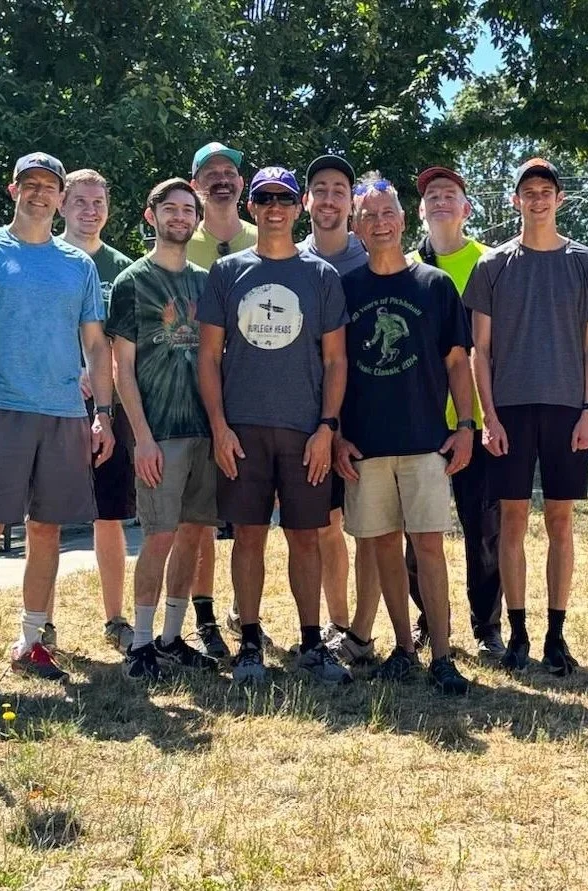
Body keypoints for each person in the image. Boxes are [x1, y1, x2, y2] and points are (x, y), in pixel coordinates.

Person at [0, 152, 115, 691]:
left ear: (61, 196)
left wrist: (103, 414)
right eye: (31, 184)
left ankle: (31, 641)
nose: (40, 194)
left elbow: (95, 345)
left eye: (50, 186)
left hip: (65, 414)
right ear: (14, 189)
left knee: (46, 530)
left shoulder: (79, 265)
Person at [197, 165, 351, 685]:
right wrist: (219, 427)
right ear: (252, 207)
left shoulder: (321, 276)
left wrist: (328, 427)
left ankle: (312, 644)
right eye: (265, 198)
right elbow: (209, 357)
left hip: (305, 432)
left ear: (299, 205)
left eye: (285, 198)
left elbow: (335, 361)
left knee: (307, 536)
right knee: (249, 537)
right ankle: (249, 644)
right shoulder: (227, 272)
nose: (276, 207)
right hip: (242, 430)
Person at [465, 158, 588, 674]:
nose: (537, 198)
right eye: (528, 190)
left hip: (566, 410)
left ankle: (556, 634)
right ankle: (519, 633)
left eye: (546, 190)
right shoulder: (492, 266)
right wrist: (489, 416)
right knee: (511, 519)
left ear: (560, 199)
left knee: (560, 520)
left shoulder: (584, 263)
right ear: (515, 201)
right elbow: (478, 350)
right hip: (508, 409)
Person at [334, 174, 473, 694]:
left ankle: (442, 655)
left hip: (425, 443)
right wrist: (338, 434)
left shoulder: (435, 285)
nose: (380, 222)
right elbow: (336, 368)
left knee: (429, 547)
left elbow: (458, 362)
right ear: (357, 226)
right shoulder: (346, 291)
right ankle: (403, 649)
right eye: (368, 216)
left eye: (387, 212)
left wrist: (465, 426)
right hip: (366, 447)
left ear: (403, 217)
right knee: (384, 548)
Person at [108, 178, 219, 679]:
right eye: (169, 209)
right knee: (159, 536)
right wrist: (142, 437)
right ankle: (142, 645)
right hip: (161, 433)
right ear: (150, 216)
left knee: (195, 534)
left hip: (205, 429)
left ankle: (174, 638)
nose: (180, 216)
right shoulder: (132, 282)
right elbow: (121, 368)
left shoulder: (206, 282)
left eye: (187, 209)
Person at [401, 165, 504, 660]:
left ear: (466, 208)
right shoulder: (400, 267)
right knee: (417, 535)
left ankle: (487, 626)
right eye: (431, 195)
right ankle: (428, 620)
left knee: (484, 530)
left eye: (450, 194)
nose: (440, 200)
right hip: (418, 424)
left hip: (479, 423)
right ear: (420, 210)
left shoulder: (493, 263)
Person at [44, 168, 135, 653]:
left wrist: (104, 379)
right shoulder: (44, 257)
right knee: (47, 519)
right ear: (62, 204)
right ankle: (43, 623)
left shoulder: (123, 269)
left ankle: (116, 618)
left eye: (98, 201)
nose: (90, 210)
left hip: (109, 408)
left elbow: (126, 342)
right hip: (53, 407)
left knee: (110, 515)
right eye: (80, 201)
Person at [184, 141, 258, 657]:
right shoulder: (179, 242)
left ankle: (246, 612)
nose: (221, 179)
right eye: (210, 173)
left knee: (254, 517)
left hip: (257, 398)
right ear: (195, 186)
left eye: (229, 171)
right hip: (192, 398)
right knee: (202, 518)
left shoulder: (269, 237)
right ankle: (205, 617)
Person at [296, 154, 369, 648]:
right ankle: (334, 625)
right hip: (309, 413)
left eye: (338, 189)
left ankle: (355, 629)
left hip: (366, 412)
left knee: (366, 527)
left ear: (351, 202)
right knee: (322, 525)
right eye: (319, 188)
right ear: (306, 201)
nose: (328, 198)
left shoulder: (372, 257)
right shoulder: (291, 259)